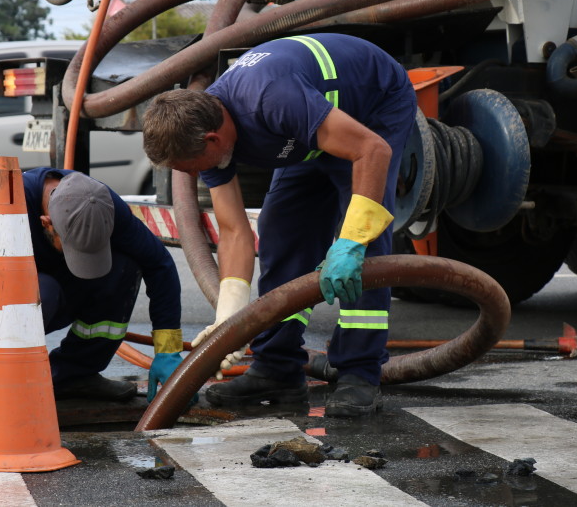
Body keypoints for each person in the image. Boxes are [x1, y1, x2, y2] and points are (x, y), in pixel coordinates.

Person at [142, 33, 416, 417]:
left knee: (365, 245)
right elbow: (235, 231)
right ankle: (277, 367)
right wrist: (228, 320)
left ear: (212, 138)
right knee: (280, 234)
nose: (194, 176)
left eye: (192, 168)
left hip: (371, 110)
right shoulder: (213, 132)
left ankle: (359, 373)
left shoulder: (269, 99)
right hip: (310, 127)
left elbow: (372, 149)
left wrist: (351, 241)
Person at [0, 168, 187, 407]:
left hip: (42, 292)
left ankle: (73, 374)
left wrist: (168, 350)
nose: (79, 259)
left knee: (123, 267)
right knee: (42, 287)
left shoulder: (96, 203)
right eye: (69, 248)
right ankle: (4, 383)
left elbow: (159, 264)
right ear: (45, 222)